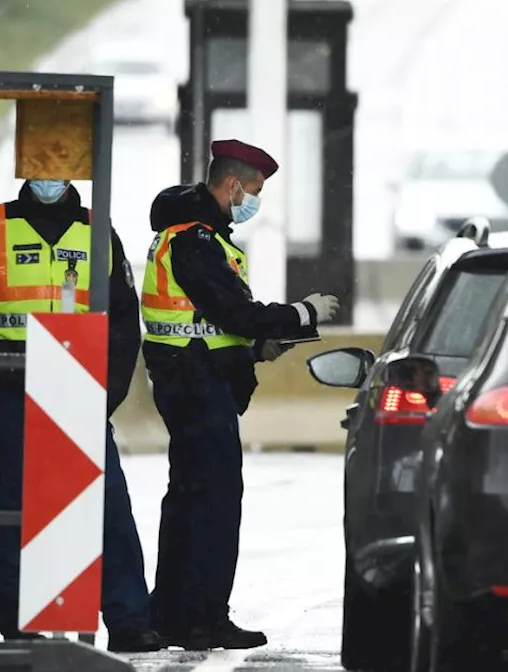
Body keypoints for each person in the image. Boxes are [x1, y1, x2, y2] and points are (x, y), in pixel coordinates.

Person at [0, 179, 164, 652]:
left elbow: (122, 325)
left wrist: (105, 397)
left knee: (106, 502)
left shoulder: (98, 231)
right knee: (8, 504)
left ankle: (130, 619)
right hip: (7, 386)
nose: (48, 174)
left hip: (77, 385)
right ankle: (19, 624)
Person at [141, 139, 341, 650]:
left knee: (190, 501)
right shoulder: (196, 241)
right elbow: (234, 313)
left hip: (193, 377)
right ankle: (203, 619)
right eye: (253, 190)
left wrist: (255, 349)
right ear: (232, 186)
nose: (254, 200)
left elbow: (208, 321)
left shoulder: (194, 236)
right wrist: (302, 312)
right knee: (213, 504)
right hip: (195, 383)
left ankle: (174, 615)